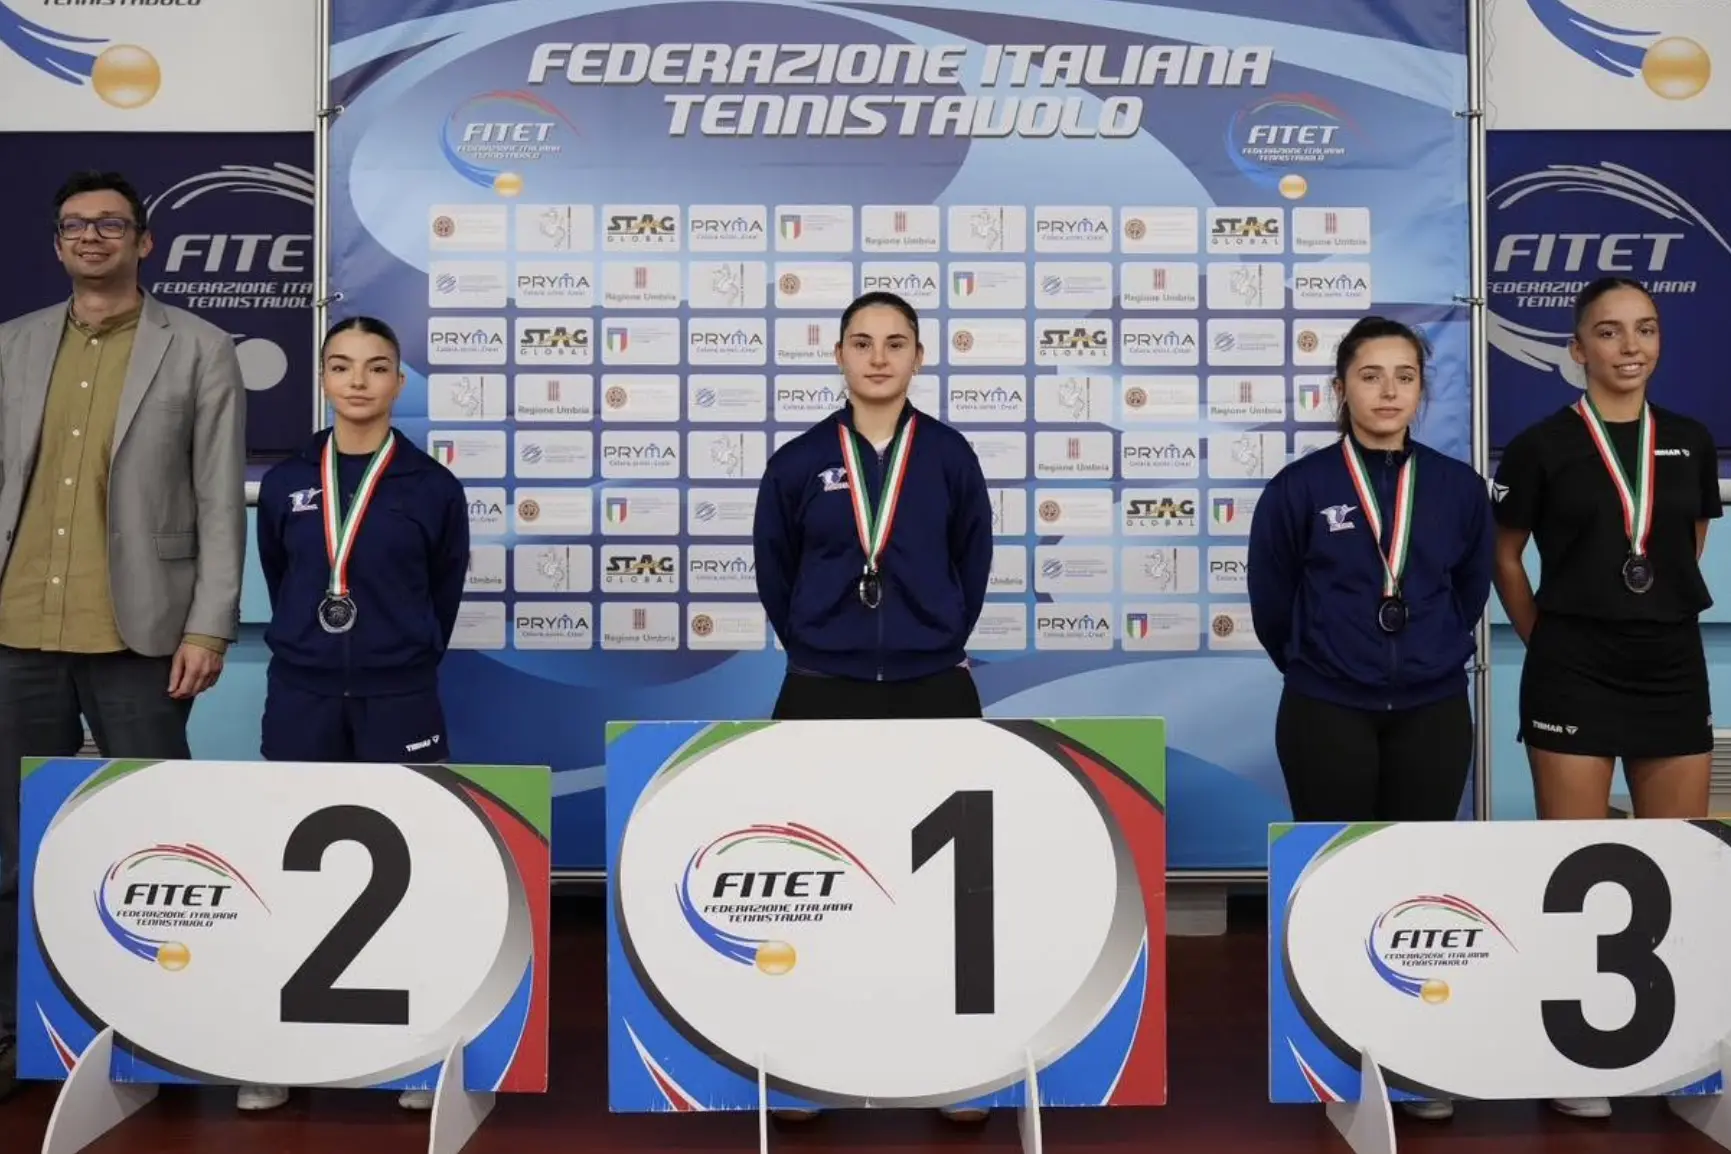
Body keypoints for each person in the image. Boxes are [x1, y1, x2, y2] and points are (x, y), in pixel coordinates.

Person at [0, 170, 246, 1100]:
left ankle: (154, 1023)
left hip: (143, 634)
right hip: (17, 625)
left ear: (145, 243)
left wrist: (209, 625)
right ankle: (18, 1030)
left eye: (111, 224)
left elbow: (221, 500)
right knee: (13, 842)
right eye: (75, 225)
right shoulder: (14, 346)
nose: (91, 237)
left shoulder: (200, 347)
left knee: (150, 840)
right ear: (57, 243)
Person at [752, 291, 993, 1122]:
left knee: (944, 883)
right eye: (863, 343)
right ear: (839, 355)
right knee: (814, 873)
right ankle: (809, 1060)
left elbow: (973, 559)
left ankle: (951, 1060)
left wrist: (931, 636)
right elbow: (774, 572)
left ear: (919, 357)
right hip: (822, 688)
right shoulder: (798, 461)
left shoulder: (951, 456)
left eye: (895, 343)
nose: (879, 357)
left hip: (934, 686)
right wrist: (821, 642)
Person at [1248, 316, 1493, 1122]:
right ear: (1340, 389)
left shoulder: (1455, 488)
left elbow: (1467, 589)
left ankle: (1415, 1056)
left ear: (1421, 391)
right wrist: (1323, 661)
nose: (1387, 391)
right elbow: (1271, 600)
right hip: (1327, 707)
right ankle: (1339, 1056)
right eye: (1369, 375)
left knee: (1417, 885)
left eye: (1403, 376)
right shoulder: (1300, 487)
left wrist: (1424, 651)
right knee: (1336, 882)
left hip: (1428, 705)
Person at [1490, 277, 1720, 1122]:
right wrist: (1545, 635)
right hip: (1572, 665)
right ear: (1576, 349)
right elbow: (1506, 556)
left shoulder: (1690, 441)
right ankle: (1574, 1052)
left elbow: (1685, 542)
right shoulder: (1541, 445)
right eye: (1610, 332)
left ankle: (1675, 1050)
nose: (1630, 347)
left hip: (1668, 664)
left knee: (1676, 865)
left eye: (1645, 330)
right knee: (1576, 868)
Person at [242, 316, 470, 1113]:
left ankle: (417, 1047)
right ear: (324, 380)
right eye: (342, 367)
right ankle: (281, 1047)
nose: (359, 381)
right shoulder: (287, 480)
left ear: (399, 383)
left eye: (377, 368)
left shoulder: (431, 487)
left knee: (411, 865)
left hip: (398, 692)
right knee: (296, 868)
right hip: (302, 691)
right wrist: (316, 642)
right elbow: (281, 569)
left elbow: (441, 590)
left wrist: (394, 653)